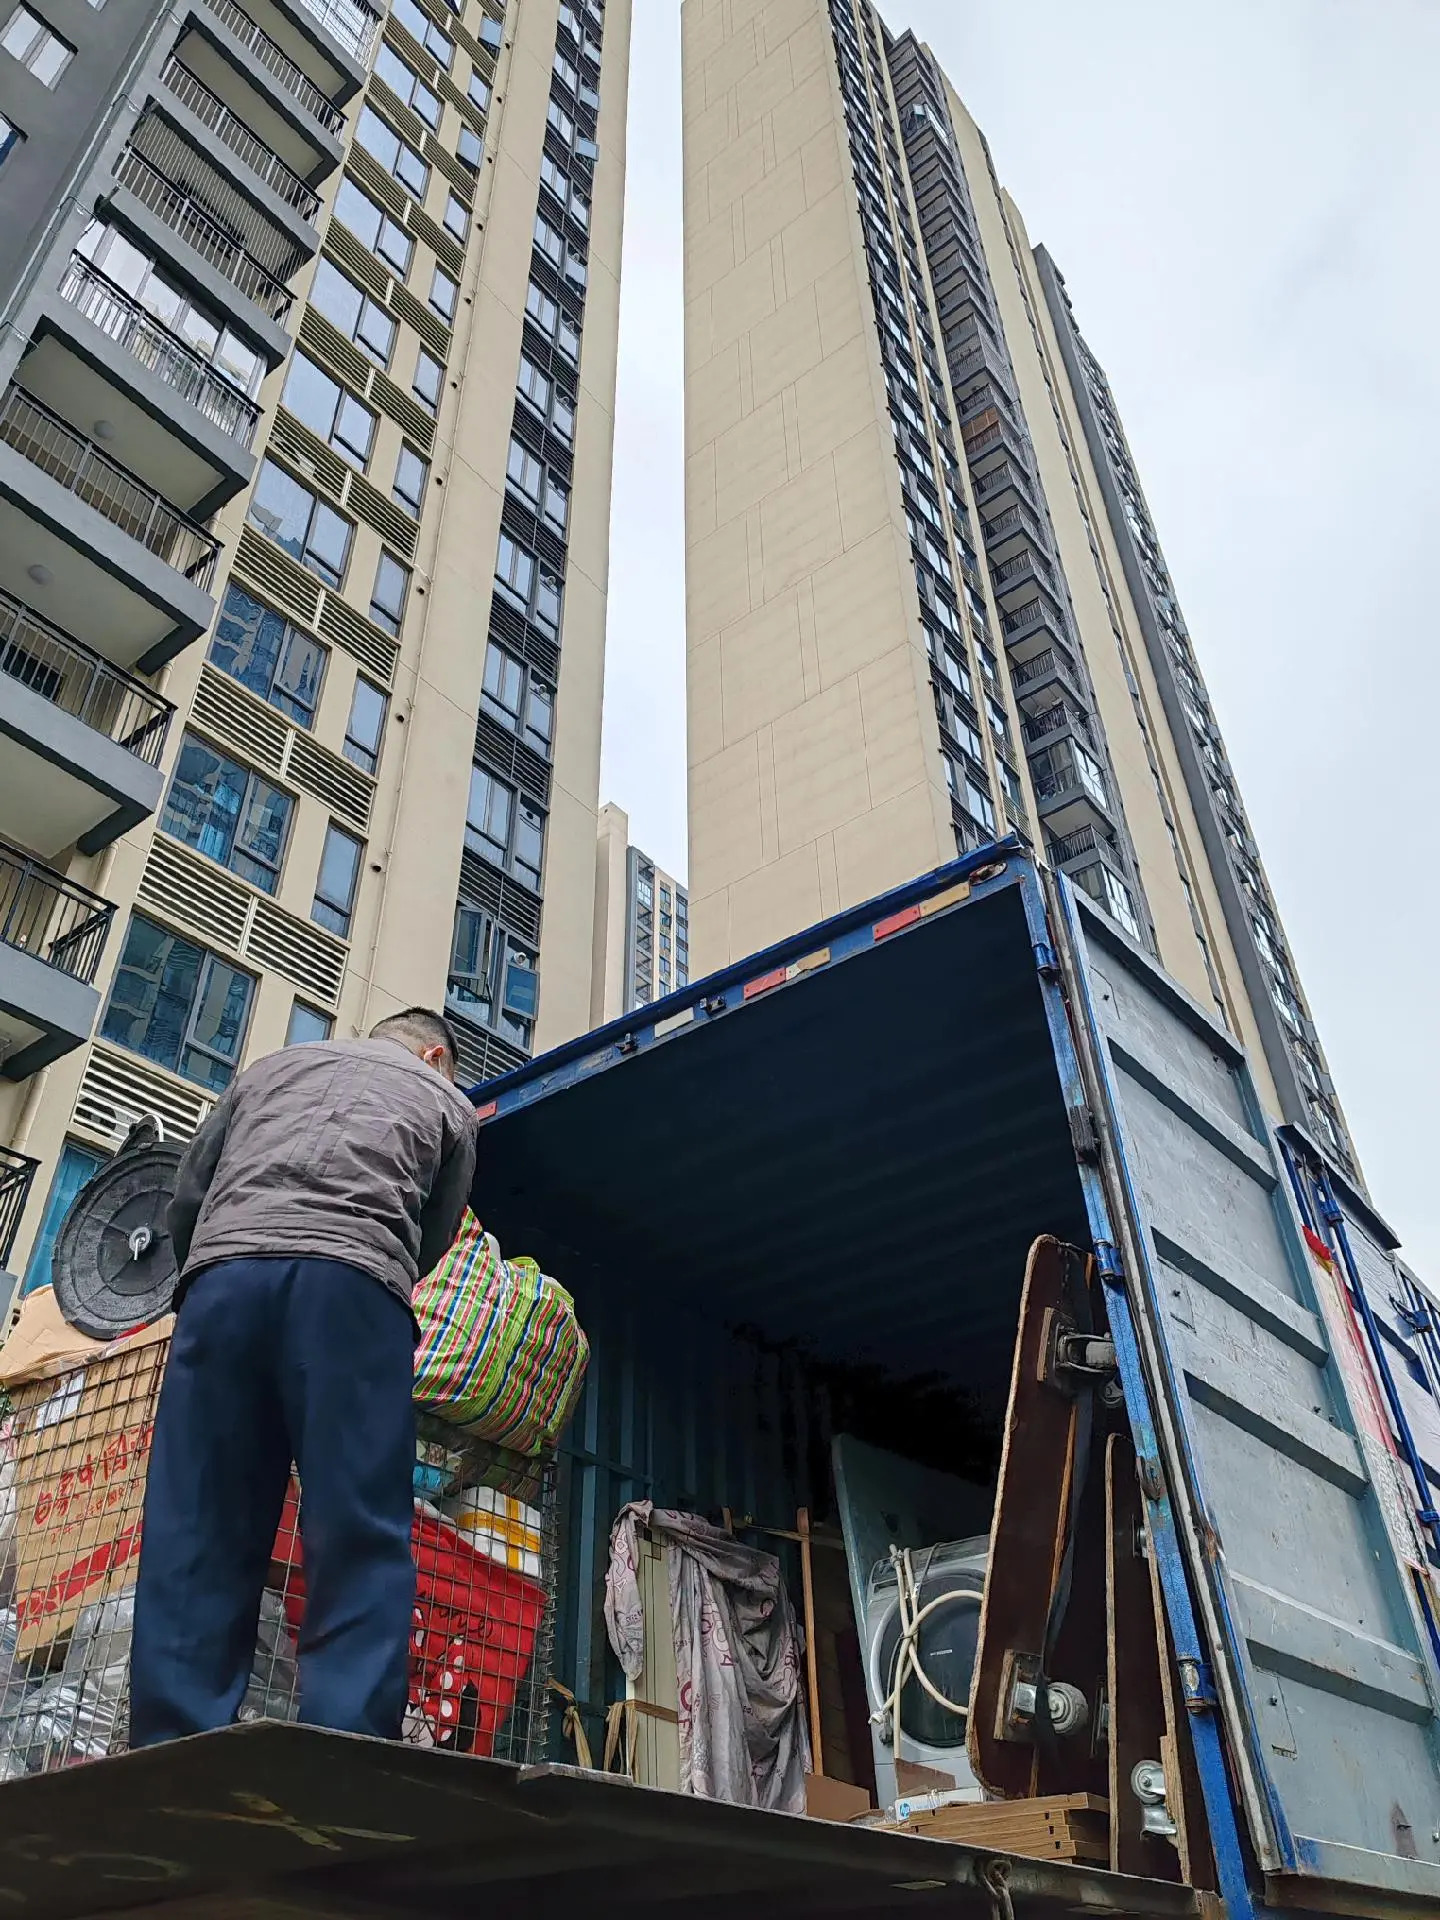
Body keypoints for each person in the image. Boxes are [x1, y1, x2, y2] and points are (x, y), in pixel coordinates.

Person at [128, 1007, 478, 1748]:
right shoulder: (445, 1099)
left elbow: (190, 1190)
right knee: (356, 1523)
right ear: (434, 1052)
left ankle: (172, 1745)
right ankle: (344, 1745)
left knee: (199, 1517)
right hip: (350, 1289)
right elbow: (435, 1231)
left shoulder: (269, 1068)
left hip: (220, 1283)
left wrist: (214, 1269)